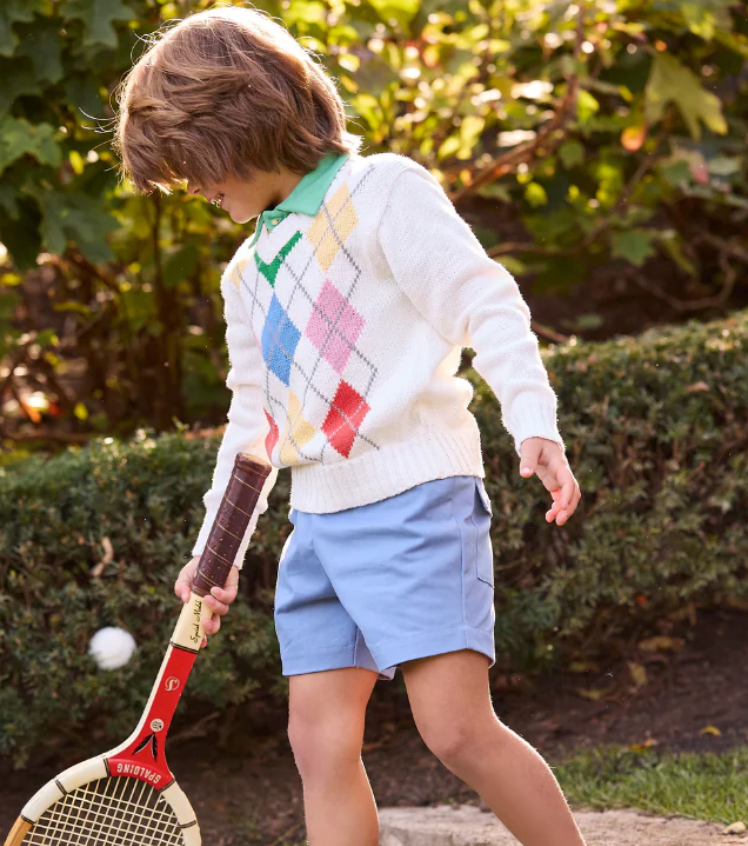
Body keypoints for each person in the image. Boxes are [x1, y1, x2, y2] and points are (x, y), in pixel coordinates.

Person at [112, 6, 584, 845]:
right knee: (317, 743)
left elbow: (485, 300)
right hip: (317, 527)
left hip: (414, 499)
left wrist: (532, 419)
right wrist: (216, 554)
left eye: (190, 165)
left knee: (456, 731)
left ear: (237, 126)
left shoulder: (383, 192)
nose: (190, 187)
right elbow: (254, 424)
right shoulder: (247, 272)